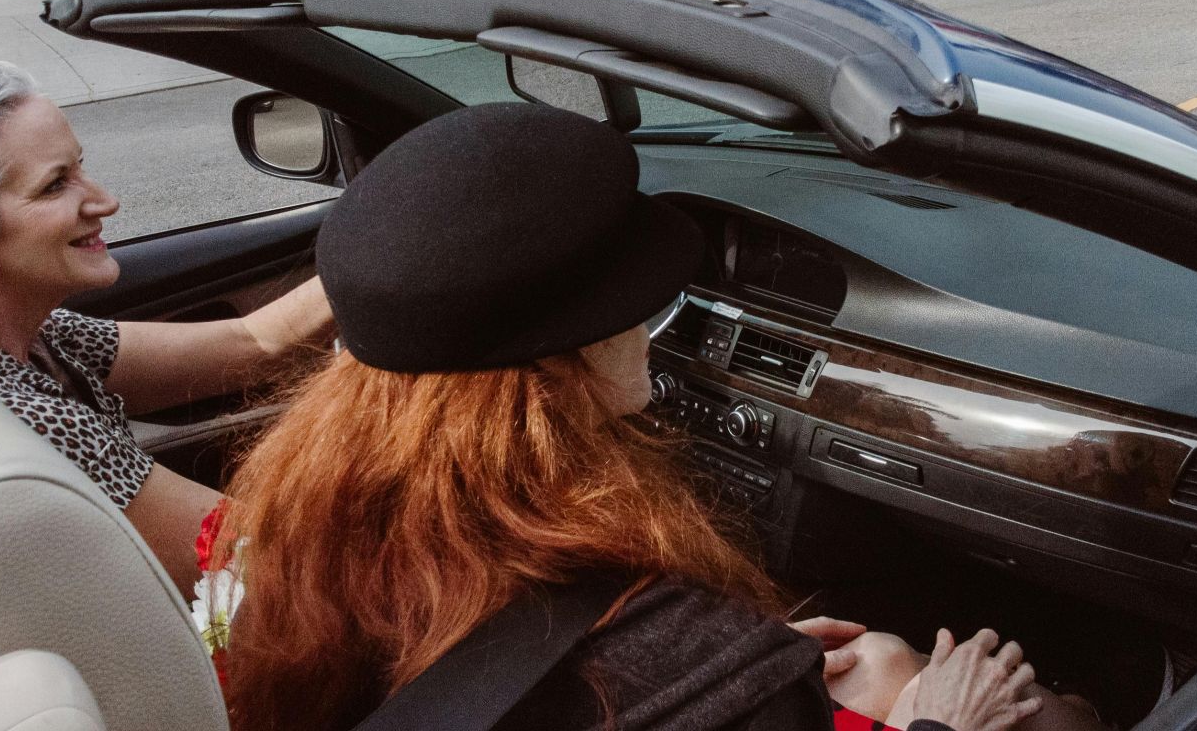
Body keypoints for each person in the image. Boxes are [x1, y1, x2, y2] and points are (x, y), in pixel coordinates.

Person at [212, 103, 1102, 731]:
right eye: (634, 305)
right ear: (560, 366)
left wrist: (726, 673)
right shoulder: (681, 657)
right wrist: (934, 724)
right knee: (932, 676)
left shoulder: (304, 537)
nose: (646, 327)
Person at [0, 60, 332, 591]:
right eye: (55, 185)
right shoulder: (26, 424)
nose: (106, 201)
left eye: (79, 167)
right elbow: (272, 561)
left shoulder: (18, 342)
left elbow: (251, 343)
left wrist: (379, 269)